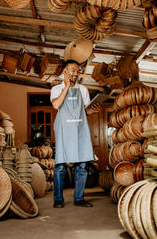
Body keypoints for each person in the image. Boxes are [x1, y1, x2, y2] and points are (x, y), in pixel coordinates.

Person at [50, 60, 101, 208]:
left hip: (79, 130)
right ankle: (58, 199)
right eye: (73, 70)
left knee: (82, 164)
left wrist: (92, 110)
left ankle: (79, 198)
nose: (76, 73)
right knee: (60, 165)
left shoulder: (83, 90)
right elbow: (56, 105)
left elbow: (83, 111)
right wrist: (66, 87)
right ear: (64, 72)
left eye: (77, 71)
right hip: (64, 131)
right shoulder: (56, 89)